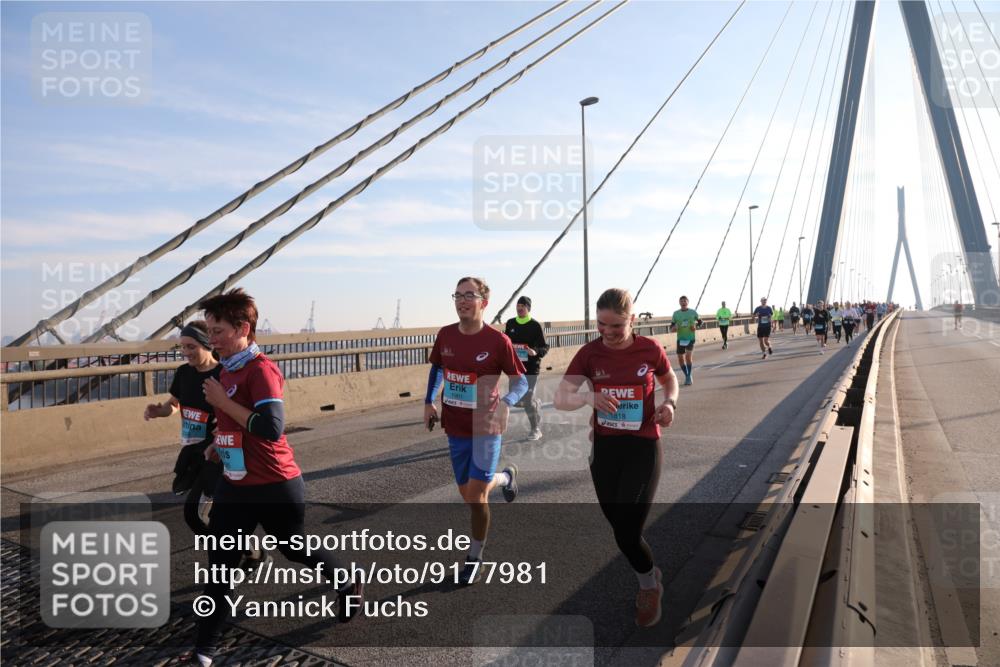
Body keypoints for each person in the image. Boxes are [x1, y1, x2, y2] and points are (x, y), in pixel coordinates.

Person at [188, 289, 363, 667]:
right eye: (209, 330)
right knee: (220, 568)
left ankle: (347, 579)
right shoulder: (228, 368)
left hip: (275, 484)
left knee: (294, 548)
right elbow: (235, 420)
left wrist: (221, 401)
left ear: (243, 328)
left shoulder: (261, 370)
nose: (211, 338)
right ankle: (204, 652)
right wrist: (219, 442)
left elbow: (271, 427)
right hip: (235, 485)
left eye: (218, 330)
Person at [554, 288, 678, 628]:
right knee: (619, 527)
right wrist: (589, 398)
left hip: (642, 447)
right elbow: (560, 397)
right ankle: (646, 566)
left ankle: (649, 585)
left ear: (632, 320)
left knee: (627, 532)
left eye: (616, 326)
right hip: (605, 450)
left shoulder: (649, 349)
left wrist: (669, 403)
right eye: (601, 325)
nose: (607, 332)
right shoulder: (590, 354)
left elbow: (670, 380)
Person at [425, 277, 527, 585]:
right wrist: (429, 401)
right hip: (455, 426)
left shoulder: (498, 342)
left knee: (477, 496)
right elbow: (438, 367)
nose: (461, 300)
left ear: (484, 301)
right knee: (467, 494)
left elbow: (520, 380)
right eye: (457, 295)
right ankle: (506, 477)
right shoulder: (445, 335)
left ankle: (475, 556)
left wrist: (507, 402)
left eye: (469, 295)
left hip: (486, 426)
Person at [144, 321, 222, 536]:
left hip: (217, 452)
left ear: (207, 345)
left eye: (191, 347)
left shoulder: (223, 374)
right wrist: (159, 411)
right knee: (205, 515)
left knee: (196, 513)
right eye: (183, 347)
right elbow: (174, 404)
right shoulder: (184, 373)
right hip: (192, 450)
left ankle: (243, 556)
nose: (185, 352)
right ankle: (247, 554)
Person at [505, 296, 549, 441]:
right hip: (516, 369)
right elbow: (506, 343)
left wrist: (535, 351)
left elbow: (545, 346)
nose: (519, 308)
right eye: (518, 305)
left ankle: (535, 429)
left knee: (528, 399)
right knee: (519, 401)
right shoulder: (511, 323)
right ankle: (536, 404)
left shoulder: (535, 325)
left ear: (528, 308)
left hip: (531, 368)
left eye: (522, 305)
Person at [671, 296, 702, 386]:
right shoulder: (676, 314)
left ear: (688, 302)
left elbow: (701, 322)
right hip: (680, 339)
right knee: (681, 359)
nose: (683, 302)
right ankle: (687, 375)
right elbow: (671, 327)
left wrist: (696, 327)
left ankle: (688, 376)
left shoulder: (693, 312)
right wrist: (674, 328)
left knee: (688, 357)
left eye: (685, 301)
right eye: (681, 301)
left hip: (690, 338)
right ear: (679, 303)